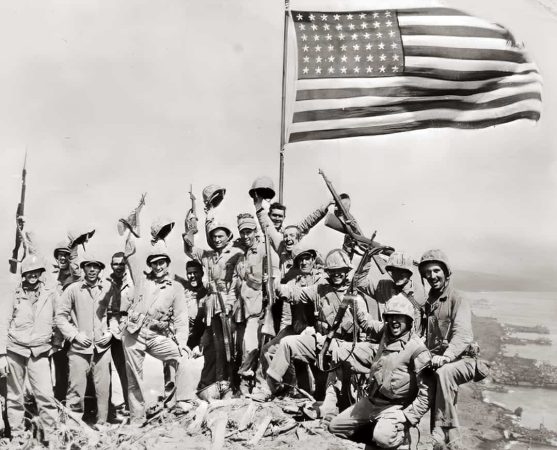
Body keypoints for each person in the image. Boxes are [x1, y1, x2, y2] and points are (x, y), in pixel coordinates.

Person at [264, 249, 375, 403]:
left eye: (340, 271)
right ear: (328, 272)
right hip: (321, 343)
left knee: (336, 396)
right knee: (287, 343)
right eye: (333, 271)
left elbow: (365, 327)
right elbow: (296, 293)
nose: (336, 275)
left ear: (346, 272)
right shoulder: (320, 289)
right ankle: (270, 389)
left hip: (343, 350)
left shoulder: (355, 296)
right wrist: (277, 286)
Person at [328, 294, 432, 450]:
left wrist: (408, 416)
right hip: (372, 401)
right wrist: (354, 301)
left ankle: (402, 442)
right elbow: (367, 324)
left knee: (383, 438)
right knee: (335, 427)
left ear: (409, 320)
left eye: (399, 317)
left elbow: (427, 393)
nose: (394, 321)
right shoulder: (385, 332)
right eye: (390, 317)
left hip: (395, 407)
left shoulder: (417, 350)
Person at [122, 240, 191, 422]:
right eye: (154, 263)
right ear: (150, 265)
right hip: (134, 333)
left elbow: (181, 318)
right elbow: (131, 258)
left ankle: (175, 406)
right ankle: (137, 419)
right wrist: (129, 239)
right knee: (134, 378)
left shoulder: (176, 287)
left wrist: (182, 344)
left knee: (180, 357)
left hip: (155, 335)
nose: (158, 266)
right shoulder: (142, 280)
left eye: (162, 262)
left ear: (167, 263)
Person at [417, 250, 476, 450]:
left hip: (463, 360)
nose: (432, 276)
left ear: (446, 272)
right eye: (427, 272)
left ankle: (449, 439)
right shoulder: (429, 303)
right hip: (439, 361)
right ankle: (440, 440)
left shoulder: (457, 299)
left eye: (436, 271)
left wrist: (446, 357)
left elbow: (463, 336)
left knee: (444, 373)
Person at [0, 255, 59, 442]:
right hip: (15, 349)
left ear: (41, 273)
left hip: (40, 350)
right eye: (28, 272)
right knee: (15, 396)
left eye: (36, 272)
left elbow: (61, 317)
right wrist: (1, 353)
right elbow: (3, 323)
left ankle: (52, 436)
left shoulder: (50, 293)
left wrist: (57, 343)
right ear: (23, 274)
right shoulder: (14, 294)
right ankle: (17, 434)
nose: (32, 275)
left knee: (45, 395)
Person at [183, 211, 243, 394]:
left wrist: (231, 305)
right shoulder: (208, 255)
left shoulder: (236, 254)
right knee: (214, 347)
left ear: (228, 237)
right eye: (214, 236)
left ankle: (231, 384)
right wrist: (190, 228)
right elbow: (189, 249)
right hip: (211, 305)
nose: (217, 239)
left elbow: (236, 283)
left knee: (229, 347)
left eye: (220, 236)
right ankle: (214, 384)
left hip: (228, 304)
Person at [55, 254, 113, 424]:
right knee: (75, 390)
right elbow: (60, 316)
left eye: (96, 266)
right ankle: (73, 426)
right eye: (88, 266)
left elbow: (116, 315)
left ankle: (102, 424)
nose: (92, 269)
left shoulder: (109, 289)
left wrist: (110, 332)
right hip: (79, 349)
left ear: (101, 269)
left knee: (103, 391)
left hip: (102, 350)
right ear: (83, 268)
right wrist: (74, 335)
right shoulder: (73, 289)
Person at [260, 244, 325, 380]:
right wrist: (271, 283)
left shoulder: (322, 279)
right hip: (297, 327)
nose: (304, 262)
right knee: (268, 351)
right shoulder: (294, 282)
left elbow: (304, 293)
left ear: (313, 260)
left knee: (318, 364)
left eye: (307, 258)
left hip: (317, 330)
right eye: (300, 260)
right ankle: (283, 387)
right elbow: (284, 290)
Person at [253, 194, 331, 280]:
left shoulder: (290, 232)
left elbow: (308, 222)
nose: (277, 218)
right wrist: (258, 207)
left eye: (280, 216)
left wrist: (324, 207)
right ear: (269, 215)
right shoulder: (262, 236)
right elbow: (267, 226)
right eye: (274, 215)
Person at [106, 251, 134, 417]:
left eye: (122, 264)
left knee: (125, 369)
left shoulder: (132, 284)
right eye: (115, 264)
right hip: (107, 327)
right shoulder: (105, 282)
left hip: (124, 329)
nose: (118, 267)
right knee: (104, 370)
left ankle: (131, 406)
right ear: (111, 265)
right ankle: (107, 409)